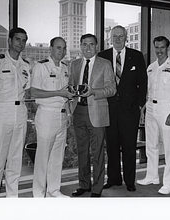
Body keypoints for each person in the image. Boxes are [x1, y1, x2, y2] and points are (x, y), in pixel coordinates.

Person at [0, 27, 30, 197]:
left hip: (20, 111)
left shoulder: (25, 65)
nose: (21, 43)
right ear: (9, 41)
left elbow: (27, 90)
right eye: (17, 39)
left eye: (24, 40)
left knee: (16, 159)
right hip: (1, 110)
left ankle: (12, 198)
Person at [98, 25, 147, 192]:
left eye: (121, 36)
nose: (118, 39)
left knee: (129, 147)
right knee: (111, 146)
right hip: (109, 109)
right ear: (110, 38)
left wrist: (140, 105)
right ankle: (113, 179)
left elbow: (143, 83)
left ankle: (130, 180)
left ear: (126, 37)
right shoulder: (102, 56)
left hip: (130, 111)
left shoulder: (137, 56)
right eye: (115, 36)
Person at [136, 36, 170, 195]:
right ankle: (152, 176)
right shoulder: (151, 67)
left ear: (167, 48)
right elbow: (149, 90)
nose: (159, 50)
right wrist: (145, 107)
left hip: (167, 107)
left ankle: (169, 183)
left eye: (162, 47)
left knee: (169, 147)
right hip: (151, 106)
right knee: (151, 144)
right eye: (156, 47)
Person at [70, 34, 116, 197]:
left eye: (91, 44)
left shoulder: (105, 64)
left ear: (96, 46)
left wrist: (93, 91)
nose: (88, 48)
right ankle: (84, 185)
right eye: (84, 44)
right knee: (82, 151)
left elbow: (112, 89)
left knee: (97, 153)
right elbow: (71, 87)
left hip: (97, 112)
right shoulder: (74, 64)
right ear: (80, 46)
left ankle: (97, 188)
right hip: (79, 112)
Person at [31, 37, 73, 198]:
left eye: (63, 48)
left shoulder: (64, 68)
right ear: (51, 48)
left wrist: (68, 113)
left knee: (57, 156)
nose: (61, 51)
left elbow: (66, 94)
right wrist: (57, 93)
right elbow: (34, 92)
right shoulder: (40, 67)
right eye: (58, 48)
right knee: (43, 157)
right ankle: (38, 194)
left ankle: (53, 191)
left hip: (62, 114)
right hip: (47, 114)